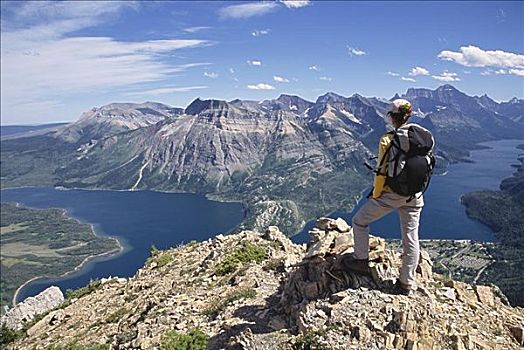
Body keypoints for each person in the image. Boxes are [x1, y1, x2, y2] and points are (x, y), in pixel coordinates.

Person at [346, 99, 425, 296]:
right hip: (415, 195)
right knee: (411, 238)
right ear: (409, 115)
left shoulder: (387, 140)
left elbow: (381, 172)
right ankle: (406, 283)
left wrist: (376, 194)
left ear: (392, 117)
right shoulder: (423, 135)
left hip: (392, 194)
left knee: (359, 221)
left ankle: (361, 260)